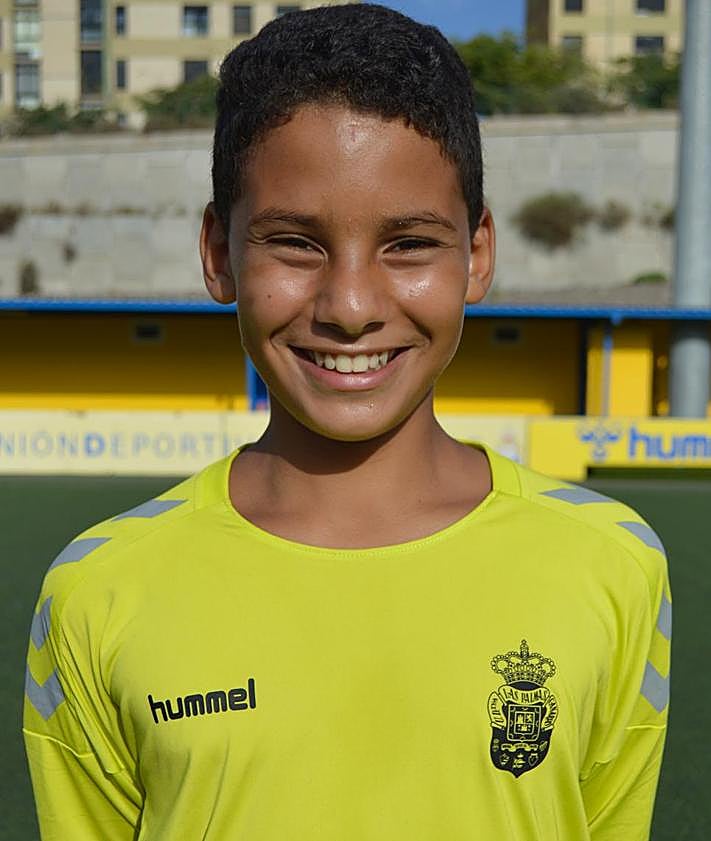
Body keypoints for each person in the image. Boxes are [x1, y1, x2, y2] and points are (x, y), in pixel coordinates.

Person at [23, 5, 670, 839]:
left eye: (407, 244)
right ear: (220, 254)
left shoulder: (613, 563)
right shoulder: (94, 592)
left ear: (476, 255)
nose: (352, 307)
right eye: (295, 242)